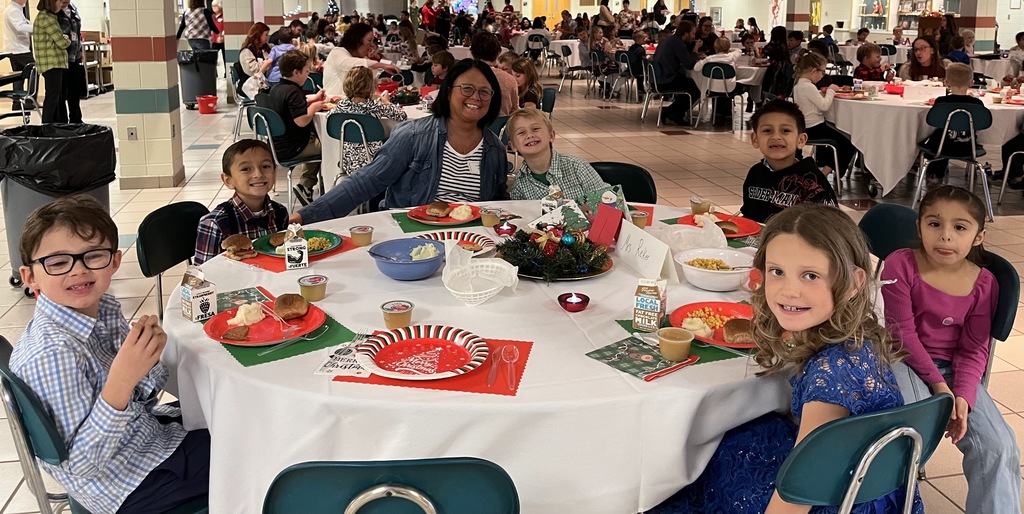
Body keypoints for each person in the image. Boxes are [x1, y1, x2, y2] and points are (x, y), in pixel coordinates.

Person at [649, 202, 919, 514]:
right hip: (853, 477)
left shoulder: (831, 376)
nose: (789, 291)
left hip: (835, 498)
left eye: (810, 276)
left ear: (854, 283)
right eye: (778, 272)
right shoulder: (851, 337)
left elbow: (800, 495)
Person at [12, 194, 211, 513]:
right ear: (30, 277)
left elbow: (141, 399)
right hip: (132, 485)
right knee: (258, 445)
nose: (78, 271)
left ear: (115, 261)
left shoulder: (101, 309)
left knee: (234, 416)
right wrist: (121, 381)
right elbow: (82, 465)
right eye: (58, 262)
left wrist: (147, 361)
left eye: (93, 256)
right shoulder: (52, 353)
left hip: (148, 441)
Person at [883, 185, 1022, 514]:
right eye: (934, 224)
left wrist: (962, 396)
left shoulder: (985, 283)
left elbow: (974, 349)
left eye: (959, 227)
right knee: (911, 428)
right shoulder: (900, 264)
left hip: (953, 370)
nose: (945, 236)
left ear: (978, 236)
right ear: (919, 227)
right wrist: (940, 387)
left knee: (999, 447)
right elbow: (901, 334)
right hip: (902, 358)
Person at [291, 59, 509, 224]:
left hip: (471, 243)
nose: (476, 97)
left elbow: (497, 203)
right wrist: (304, 217)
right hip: (412, 234)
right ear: (449, 92)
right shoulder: (414, 136)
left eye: (484, 92)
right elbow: (365, 182)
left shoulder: (494, 149)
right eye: (467, 89)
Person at [193, 139, 289, 265]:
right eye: (246, 169)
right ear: (228, 180)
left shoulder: (280, 212)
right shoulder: (215, 223)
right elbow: (203, 276)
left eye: (265, 166)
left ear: (275, 172)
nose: (258, 174)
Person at [739, 100, 836, 222]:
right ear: (755, 139)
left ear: (801, 140)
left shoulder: (813, 182)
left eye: (785, 130)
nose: (776, 137)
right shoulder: (755, 173)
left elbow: (828, 230)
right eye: (767, 130)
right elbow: (748, 218)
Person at [507, 108, 608, 200]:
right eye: (521, 132)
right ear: (513, 146)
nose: (529, 135)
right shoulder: (519, 184)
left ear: (551, 135)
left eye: (535, 129)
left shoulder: (577, 167)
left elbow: (607, 201)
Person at [268, 50, 326, 205]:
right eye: (306, 71)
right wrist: (314, 107)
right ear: (296, 72)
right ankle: (308, 186)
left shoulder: (278, 89)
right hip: (294, 147)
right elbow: (301, 121)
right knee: (327, 146)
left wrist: (313, 100)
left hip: (278, 145)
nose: (308, 75)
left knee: (318, 143)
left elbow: (290, 108)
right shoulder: (294, 92)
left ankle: (306, 185)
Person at [327, 66, 408, 177]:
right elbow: (402, 116)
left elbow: (330, 117)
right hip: (374, 162)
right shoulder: (374, 106)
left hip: (348, 163)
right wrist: (387, 102)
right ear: (371, 86)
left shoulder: (342, 105)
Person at [918, 63, 985, 182]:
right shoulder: (977, 104)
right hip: (968, 147)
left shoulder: (941, 102)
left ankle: (934, 175)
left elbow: (933, 122)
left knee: (937, 138)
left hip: (941, 147)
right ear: (971, 82)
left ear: (946, 82)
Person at [791, 52, 855, 178]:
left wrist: (821, 93)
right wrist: (831, 90)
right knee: (848, 142)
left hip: (806, 126)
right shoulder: (808, 86)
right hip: (814, 127)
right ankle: (825, 172)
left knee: (840, 139)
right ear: (814, 71)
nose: (823, 75)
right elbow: (824, 106)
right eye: (823, 72)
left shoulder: (799, 84)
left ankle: (830, 169)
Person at [323, 23, 400, 98]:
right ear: (357, 40)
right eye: (369, 40)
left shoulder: (361, 58)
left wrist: (378, 82)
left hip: (354, 106)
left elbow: (361, 82)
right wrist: (382, 65)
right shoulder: (337, 52)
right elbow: (352, 64)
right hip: (334, 104)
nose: (372, 45)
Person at [651, 20, 701, 125]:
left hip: (656, 78)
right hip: (666, 80)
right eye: (692, 33)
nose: (693, 37)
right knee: (695, 89)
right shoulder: (677, 43)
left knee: (688, 85)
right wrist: (695, 50)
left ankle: (672, 112)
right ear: (686, 33)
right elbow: (689, 64)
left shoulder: (667, 40)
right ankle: (673, 113)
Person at [32, 0, 69, 124]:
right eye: (58, 1)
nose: (60, 4)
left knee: (54, 96)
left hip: (51, 63)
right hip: (52, 63)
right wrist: (67, 38)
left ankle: (53, 125)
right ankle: (47, 126)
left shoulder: (45, 17)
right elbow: (62, 42)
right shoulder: (47, 19)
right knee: (52, 97)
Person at [470, 31, 519, 115]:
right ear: (498, 53)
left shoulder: (464, 75)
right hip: (501, 126)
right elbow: (514, 111)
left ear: (472, 53)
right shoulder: (510, 79)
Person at [3, 0, 33, 111]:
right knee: (35, 71)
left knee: (19, 76)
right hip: (19, 49)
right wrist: (40, 29)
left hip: (16, 49)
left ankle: (17, 103)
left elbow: (26, 24)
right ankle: (30, 99)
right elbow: (20, 27)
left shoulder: (17, 9)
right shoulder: (13, 10)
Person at [56, 0, 82, 124]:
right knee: (62, 91)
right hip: (61, 58)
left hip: (74, 56)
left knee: (74, 90)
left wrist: (80, 49)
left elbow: (77, 32)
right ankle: (62, 121)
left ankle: (76, 119)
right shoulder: (54, 12)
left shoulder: (73, 9)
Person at [210, 0, 225, 71]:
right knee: (212, 57)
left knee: (225, 57)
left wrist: (223, 35)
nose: (213, 8)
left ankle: (226, 74)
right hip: (214, 40)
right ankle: (214, 73)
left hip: (223, 40)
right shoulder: (212, 16)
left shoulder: (224, 15)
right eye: (212, 6)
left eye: (215, 6)